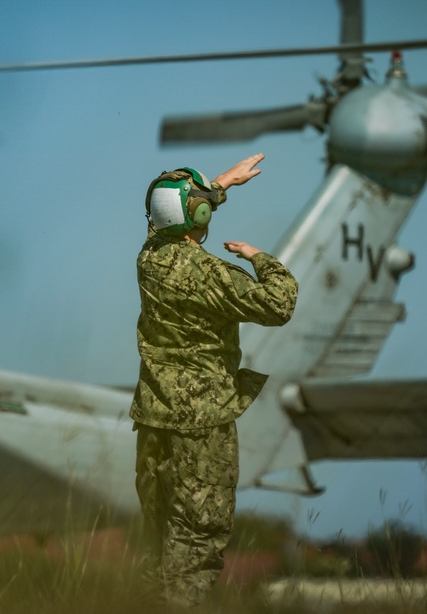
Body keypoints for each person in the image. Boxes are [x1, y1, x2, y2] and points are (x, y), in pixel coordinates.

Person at [131, 152, 298, 606]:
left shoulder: (150, 258)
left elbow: (171, 220)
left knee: (159, 541)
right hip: (201, 426)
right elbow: (279, 304)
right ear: (198, 213)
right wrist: (260, 258)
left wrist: (221, 185)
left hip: (153, 423)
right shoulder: (210, 273)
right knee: (197, 543)